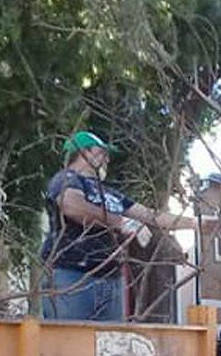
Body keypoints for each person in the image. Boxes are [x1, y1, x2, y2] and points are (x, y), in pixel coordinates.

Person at [40, 131, 209, 321]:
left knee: (109, 345)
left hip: (111, 278)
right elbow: (72, 206)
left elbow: (149, 215)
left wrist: (195, 224)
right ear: (84, 152)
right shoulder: (66, 178)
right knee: (69, 343)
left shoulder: (110, 194)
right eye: (102, 152)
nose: (107, 159)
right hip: (71, 276)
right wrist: (120, 222)